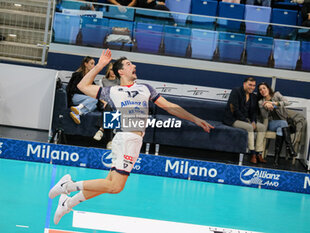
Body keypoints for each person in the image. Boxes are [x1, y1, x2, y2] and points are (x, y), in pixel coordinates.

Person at [49, 49, 214, 225]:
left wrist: (195, 119)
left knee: (109, 183)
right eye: (129, 64)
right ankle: (67, 186)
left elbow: (170, 107)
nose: (133, 65)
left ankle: (68, 202)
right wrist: (100, 65)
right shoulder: (112, 91)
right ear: (120, 71)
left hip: (131, 140)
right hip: (127, 139)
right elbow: (82, 86)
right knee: (115, 187)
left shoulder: (145, 88)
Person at [257, 82, 306, 166]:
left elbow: (287, 102)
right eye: (260, 90)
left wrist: (275, 104)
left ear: (268, 88)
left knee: (281, 129)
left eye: (264, 88)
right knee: (283, 123)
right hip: (270, 124)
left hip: (282, 124)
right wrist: (266, 106)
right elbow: (264, 116)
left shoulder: (276, 95)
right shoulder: (261, 102)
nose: (262, 90)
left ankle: (276, 160)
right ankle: (290, 148)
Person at [223, 77, 267, 164]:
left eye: (254, 85)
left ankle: (259, 153)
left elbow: (254, 112)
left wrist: (254, 121)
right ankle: (252, 153)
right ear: (244, 84)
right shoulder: (236, 91)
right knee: (250, 127)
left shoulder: (253, 96)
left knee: (262, 127)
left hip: (248, 120)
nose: (252, 87)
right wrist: (248, 121)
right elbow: (234, 109)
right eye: (250, 85)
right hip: (233, 119)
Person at [93, 62, 120, 149]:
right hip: (103, 103)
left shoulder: (120, 81)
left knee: (111, 108)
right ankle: (110, 141)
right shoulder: (102, 81)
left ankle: (101, 129)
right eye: (111, 69)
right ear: (108, 70)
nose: (113, 72)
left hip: (115, 104)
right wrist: (104, 102)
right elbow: (99, 94)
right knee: (109, 107)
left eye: (115, 70)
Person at [66, 56, 98, 125]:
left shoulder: (90, 77)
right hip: (75, 97)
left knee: (94, 106)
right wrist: (87, 92)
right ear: (85, 64)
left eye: (94, 64)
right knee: (94, 99)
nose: (94, 66)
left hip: (83, 98)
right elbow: (74, 89)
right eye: (91, 63)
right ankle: (78, 108)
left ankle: (78, 113)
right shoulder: (78, 75)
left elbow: (94, 87)